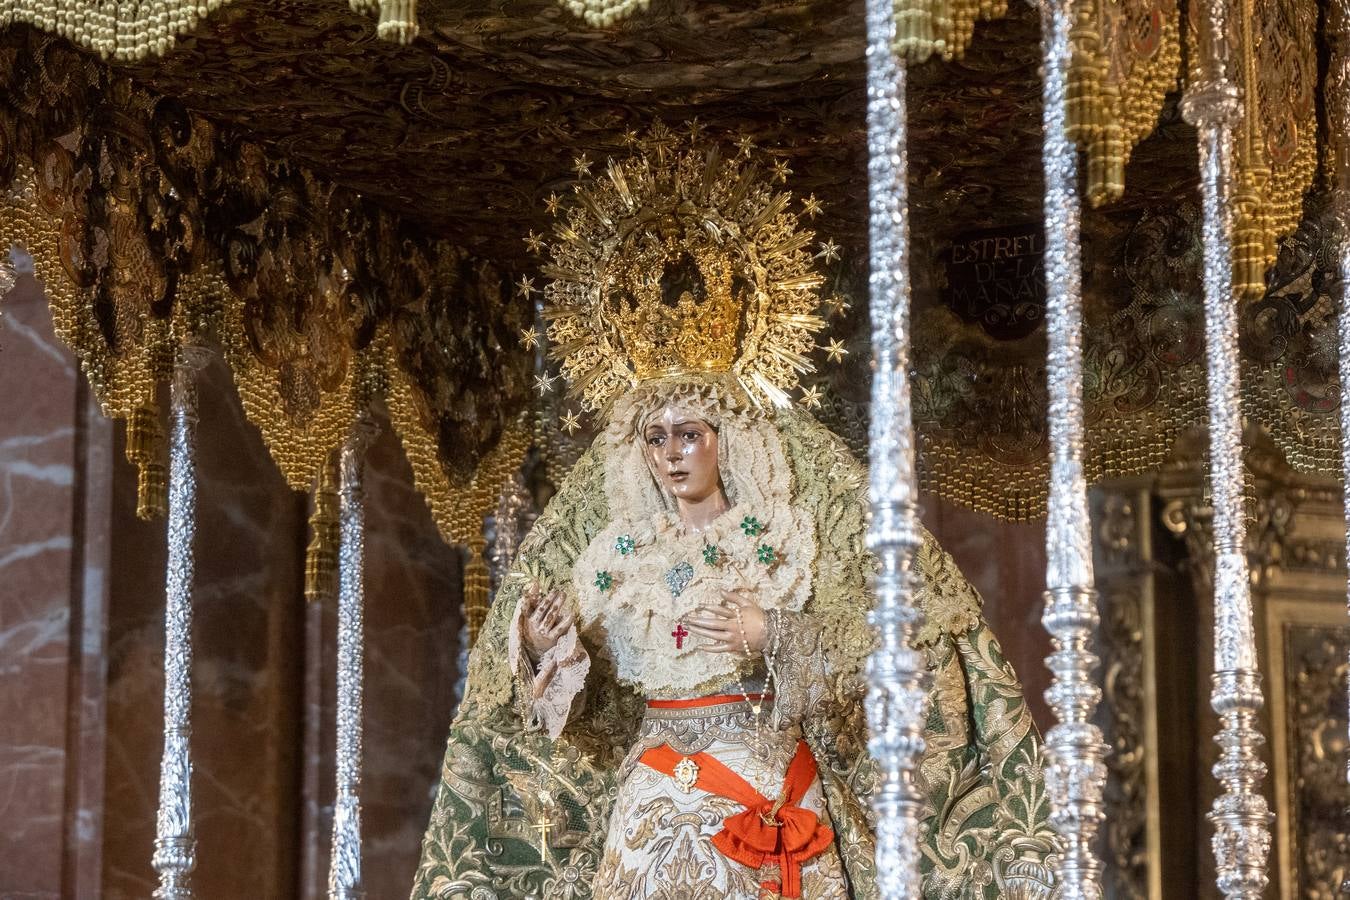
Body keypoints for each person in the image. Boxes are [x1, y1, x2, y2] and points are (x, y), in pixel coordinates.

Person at [410, 134, 1055, 900]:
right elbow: (587, 721)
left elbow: (883, 661)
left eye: (689, 435)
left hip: (766, 788)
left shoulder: (788, 538)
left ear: (727, 440)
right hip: (650, 808)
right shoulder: (620, 552)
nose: (672, 455)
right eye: (656, 437)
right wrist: (549, 650)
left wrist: (772, 636)